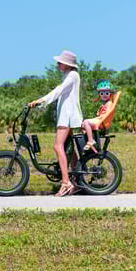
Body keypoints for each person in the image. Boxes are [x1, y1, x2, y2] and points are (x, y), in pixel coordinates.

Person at [28, 50, 83, 197]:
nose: (57, 64)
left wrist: (41, 100)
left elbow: (59, 90)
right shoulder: (68, 75)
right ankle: (76, 181)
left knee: (58, 146)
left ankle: (66, 182)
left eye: (60, 62)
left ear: (67, 64)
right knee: (69, 148)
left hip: (68, 116)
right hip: (67, 115)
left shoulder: (72, 75)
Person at [81, 80, 117, 153]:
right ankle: (89, 142)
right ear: (99, 94)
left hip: (101, 122)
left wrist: (99, 118)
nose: (104, 95)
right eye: (102, 93)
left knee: (86, 122)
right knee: (83, 124)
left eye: (107, 93)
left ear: (110, 94)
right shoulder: (105, 104)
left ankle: (91, 141)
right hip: (100, 121)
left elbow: (106, 115)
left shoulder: (109, 103)